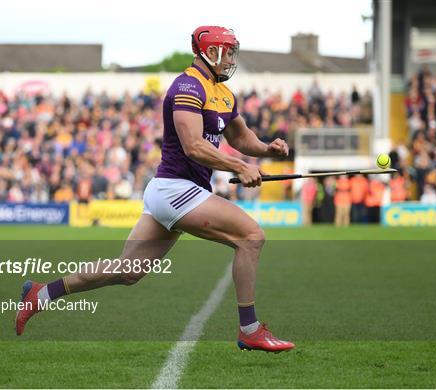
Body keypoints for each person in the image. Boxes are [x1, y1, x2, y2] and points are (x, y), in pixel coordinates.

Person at [15, 26, 294, 353]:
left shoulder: (223, 94)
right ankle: (249, 329)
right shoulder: (188, 85)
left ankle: (41, 293)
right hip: (178, 190)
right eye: (228, 51)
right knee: (251, 236)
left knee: (127, 271)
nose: (232, 58)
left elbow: (239, 137)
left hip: (172, 193)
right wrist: (239, 166)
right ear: (211, 51)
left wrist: (265, 149)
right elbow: (193, 145)